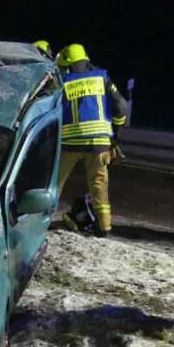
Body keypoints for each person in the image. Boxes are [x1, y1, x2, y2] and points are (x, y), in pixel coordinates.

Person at [55, 43, 128, 236]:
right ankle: (104, 228)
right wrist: (115, 130)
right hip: (100, 141)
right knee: (99, 183)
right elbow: (121, 106)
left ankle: (39, 223)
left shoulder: (62, 80)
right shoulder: (101, 77)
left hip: (70, 141)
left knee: (55, 182)